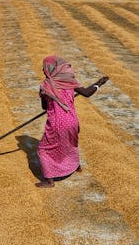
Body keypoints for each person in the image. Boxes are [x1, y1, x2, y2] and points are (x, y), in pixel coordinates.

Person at [36, 55, 108, 188]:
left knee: (43, 150)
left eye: (44, 67)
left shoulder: (45, 86)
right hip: (72, 121)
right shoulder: (69, 81)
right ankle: (76, 166)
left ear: (50, 69)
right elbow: (86, 92)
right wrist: (99, 83)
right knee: (71, 143)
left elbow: (44, 108)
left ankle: (49, 181)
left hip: (57, 123)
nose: (42, 69)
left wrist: (52, 102)